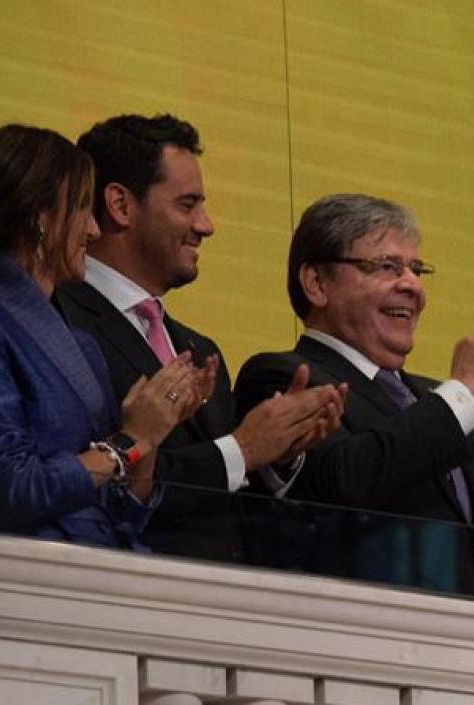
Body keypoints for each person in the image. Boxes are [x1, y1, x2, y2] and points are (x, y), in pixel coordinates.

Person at [233, 193, 474, 597]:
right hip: (361, 624)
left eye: (416, 269)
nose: (413, 285)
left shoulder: (435, 400)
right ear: (317, 283)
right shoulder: (283, 376)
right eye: (386, 266)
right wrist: (463, 389)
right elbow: (340, 486)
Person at [56, 114, 344, 558]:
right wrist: (243, 448)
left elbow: (227, 497)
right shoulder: (59, 320)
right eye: (187, 205)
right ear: (120, 205)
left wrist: (278, 452)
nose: (206, 225)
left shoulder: (200, 349)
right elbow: (98, 476)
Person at [0, 123, 206, 547]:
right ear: (39, 219)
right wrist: (130, 441)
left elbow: (116, 505)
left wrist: (151, 435)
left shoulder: (83, 346)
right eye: (80, 209)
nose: (93, 230)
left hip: (102, 564)